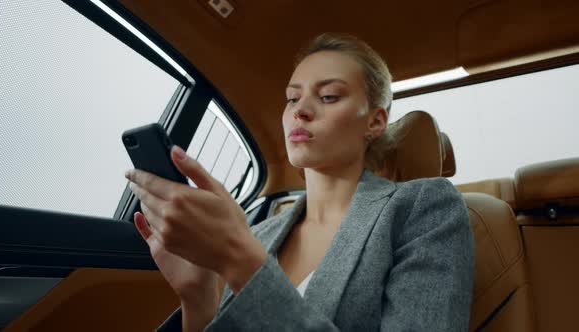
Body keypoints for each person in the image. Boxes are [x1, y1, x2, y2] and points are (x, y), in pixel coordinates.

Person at [125, 33, 474, 331]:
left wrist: (241, 262)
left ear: (375, 121)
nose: (300, 109)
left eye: (328, 96)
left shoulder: (423, 206)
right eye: (292, 98)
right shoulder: (258, 234)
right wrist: (198, 299)